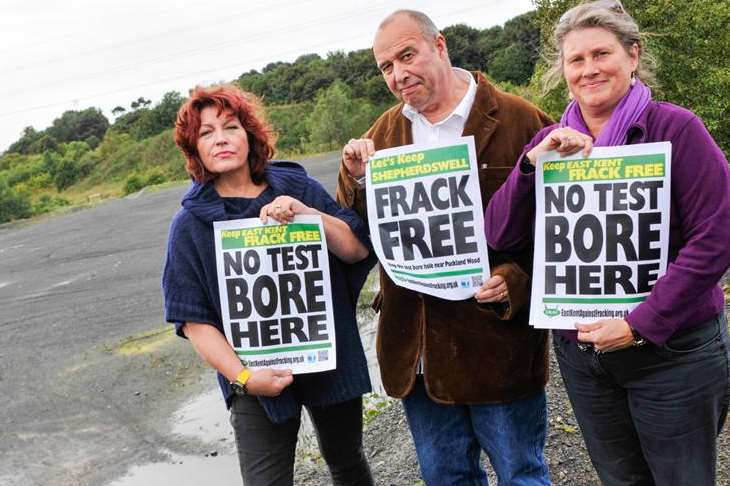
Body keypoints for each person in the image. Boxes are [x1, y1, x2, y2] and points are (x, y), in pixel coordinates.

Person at [485, 1, 730, 484]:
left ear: (633, 56)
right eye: (576, 60)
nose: (589, 69)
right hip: (585, 356)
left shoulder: (675, 128)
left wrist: (641, 323)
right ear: (564, 70)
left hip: (672, 352)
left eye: (602, 54)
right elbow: (500, 233)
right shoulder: (552, 143)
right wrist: (532, 166)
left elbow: (718, 233)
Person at [336, 9, 553, 485]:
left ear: (440, 46)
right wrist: (353, 177)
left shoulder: (520, 120)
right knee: (446, 478)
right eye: (386, 67)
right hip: (418, 351)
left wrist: (518, 281)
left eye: (406, 55)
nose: (398, 74)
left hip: (497, 346)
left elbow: (561, 229)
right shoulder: (383, 133)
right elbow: (360, 227)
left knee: (521, 474)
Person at [161, 84, 375, 486]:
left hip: (326, 354)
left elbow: (355, 250)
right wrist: (243, 378)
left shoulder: (296, 188)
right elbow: (194, 322)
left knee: (347, 461)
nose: (220, 138)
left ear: (250, 135)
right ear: (194, 148)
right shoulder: (189, 226)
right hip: (253, 373)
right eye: (206, 133)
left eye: (230, 126)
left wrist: (308, 215)